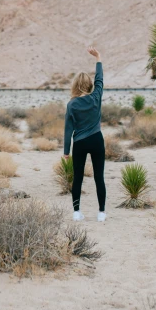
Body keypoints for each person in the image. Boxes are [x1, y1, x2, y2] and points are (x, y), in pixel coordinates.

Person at [63, 46, 106, 222]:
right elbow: (100, 80)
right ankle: (101, 213)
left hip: (79, 143)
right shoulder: (96, 97)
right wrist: (98, 58)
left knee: (78, 177)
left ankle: (76, 212)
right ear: (89, 85)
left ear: (74, 85)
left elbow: (68, 129)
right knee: (99, 177)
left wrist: (66, 151)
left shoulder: (72, 105)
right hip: (96, 140)